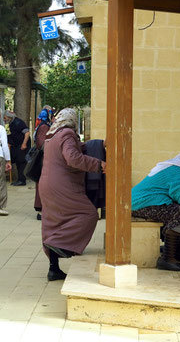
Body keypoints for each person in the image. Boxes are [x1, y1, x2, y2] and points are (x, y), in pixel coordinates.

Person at [40, 108, 106, 281]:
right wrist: (99, 164)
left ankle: (53, 269)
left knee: (54, 222)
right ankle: (60, 245)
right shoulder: (68, 134)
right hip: (63, 185)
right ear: (72, 120)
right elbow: (73, 158)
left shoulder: (52, 135)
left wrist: (100, 144)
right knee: (88, 214)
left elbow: (73, 150)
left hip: (47, 185)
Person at [34, 107, 54, 220]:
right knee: (43, 184)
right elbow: (42, 143)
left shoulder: (43, 125)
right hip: (43, 160)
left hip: (44, 159)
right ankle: (41, 210)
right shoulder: (44, 126)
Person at [4, 111, 30, 186]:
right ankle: (20, 179)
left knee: (21, 162)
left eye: (5, 118)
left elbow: (27, 133)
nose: (4, 120)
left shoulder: (18, 122)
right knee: (18, 161)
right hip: (18, 145)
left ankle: (22, 180)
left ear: (9, 117)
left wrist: (24, 144)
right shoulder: (12, 123)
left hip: (22, 145)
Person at [0, 119, 11, 216]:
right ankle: (1, 206)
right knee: (1, 181)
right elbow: (4, 145)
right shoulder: (1, 129)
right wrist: (8, 160)